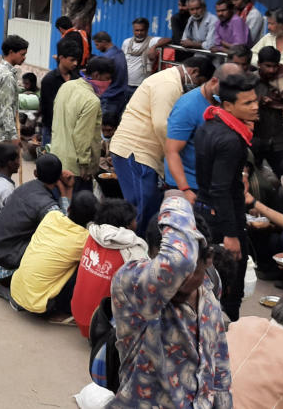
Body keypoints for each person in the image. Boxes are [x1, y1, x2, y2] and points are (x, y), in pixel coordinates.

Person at [109, 194, 231, 408]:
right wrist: (176, 199)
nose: (179, 281)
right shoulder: (134, 285)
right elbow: (176, 263)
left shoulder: (210, 295)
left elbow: (219, 368)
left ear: (208, 259)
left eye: (191, 269)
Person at [110, 56, 215, 235]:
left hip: (136, 152)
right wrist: (175, 153)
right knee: (142, 209)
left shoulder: (167, 79)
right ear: (194, 72)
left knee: (143, 207)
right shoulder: (168, 85)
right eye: (200, 83)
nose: (197, 88)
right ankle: (138, 252)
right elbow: (161, 124)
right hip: (136, 152)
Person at [194, 72, 261, 321]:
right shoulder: (231, 140)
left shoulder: (209, 123)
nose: (255, 107)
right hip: (222, 218)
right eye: (248, 103)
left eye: (256, 101)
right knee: (229, 289)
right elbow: (221, 189)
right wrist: (231, 234)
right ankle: (225, 342)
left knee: (206, 281)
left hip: (204, 210)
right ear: (229, 105)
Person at [10, 191, 100, 320]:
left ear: (69, 208)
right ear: (91, 220)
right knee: (87, 264)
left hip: (17, 290)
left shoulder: (51, 216)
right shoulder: (84, 240)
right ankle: (67, 308)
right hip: (40, 305)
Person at [0, 154, 68, 290]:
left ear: (35, 173)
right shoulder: (48, 207)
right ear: (59, 176)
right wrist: (66, 192)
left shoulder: (23, 187)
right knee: (57, 250)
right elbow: (65, 229)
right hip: (6, 270)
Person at [164, 63, 242, 203]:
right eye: (224, 90)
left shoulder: (227, 103)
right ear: (214, 81)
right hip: (190, 185)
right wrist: (185, 189)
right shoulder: (187, 107)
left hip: (216, 184)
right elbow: (171, 151)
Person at [69, 200, 147, 338]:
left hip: (79, 316)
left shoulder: (92, 234)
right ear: (127, 226)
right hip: (103, 329)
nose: (137, 222)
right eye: (135, 220)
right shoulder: (133, 251)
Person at [51, 56, 115, 186]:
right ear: (96, 75)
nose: (109, 82)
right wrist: (85, 165)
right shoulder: (92, 101)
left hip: (57, 157)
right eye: (107, 78)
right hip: (76, 168)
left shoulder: (66, 86)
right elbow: (83, 136)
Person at [252, 46, 283, 174]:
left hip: (278, 140)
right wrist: (259, 102)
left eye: (275, 66)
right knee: (252, 179)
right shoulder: (250, 82)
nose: (272, 70)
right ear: (259, 64)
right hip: (255, 139)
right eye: (268, 66)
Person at [0, 35, 29, 144]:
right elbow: (7, 109)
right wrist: (13, 136)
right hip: (3, 134)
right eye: (22, 54)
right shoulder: (7, 77)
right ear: (11, 52)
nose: (24, 57)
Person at [39, 37, 82, 145]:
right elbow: (47, 109)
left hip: (71, 130)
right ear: (61, 58)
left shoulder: (77, 79)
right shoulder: (49, 80)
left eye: (77, 60)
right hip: (52, 130)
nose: (76, 63)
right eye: (72, 60)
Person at [121, 17, 164, 99]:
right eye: (136, 30)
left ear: (147, 30)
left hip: (142, 86)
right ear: (133, 30)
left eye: (142, 30)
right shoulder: (126, 42)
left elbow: (168, 39)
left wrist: (154, 47)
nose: (139, 33)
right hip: (126, 84)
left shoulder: (151, 41)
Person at [91, 31, 128, 118]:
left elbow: (99, 79)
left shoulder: (107, 58)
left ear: (104, 42)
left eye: (97, 45)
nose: (97, 48)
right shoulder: (120, 53)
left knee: (105, 125)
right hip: (121, 96)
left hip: (110, 97)